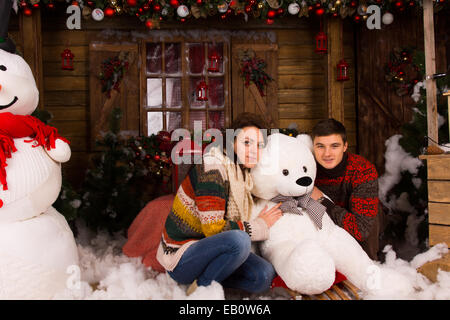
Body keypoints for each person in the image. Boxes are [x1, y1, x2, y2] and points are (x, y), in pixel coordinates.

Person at [156, 112, 283, 295]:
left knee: (263, 275)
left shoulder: (242, 175)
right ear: (232, 143)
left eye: (259, 144)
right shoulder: (213, 167)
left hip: (215, 252)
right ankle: (202, 289)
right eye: (246, 143)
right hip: (183, 256)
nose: (254, 150)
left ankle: (212, 277)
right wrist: (259, 226)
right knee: (239, 241)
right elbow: (213, 230)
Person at [310, 118, 383, 261]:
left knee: (372, 220)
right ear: (313, 147)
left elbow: (361, 230)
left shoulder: (362, 170)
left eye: (334, 146)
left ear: (345, 146)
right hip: (329, 225)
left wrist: (322, 200)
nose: (327, 154)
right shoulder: (307, 168)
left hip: (362, 223)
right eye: (320, 146)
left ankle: (370, 266)